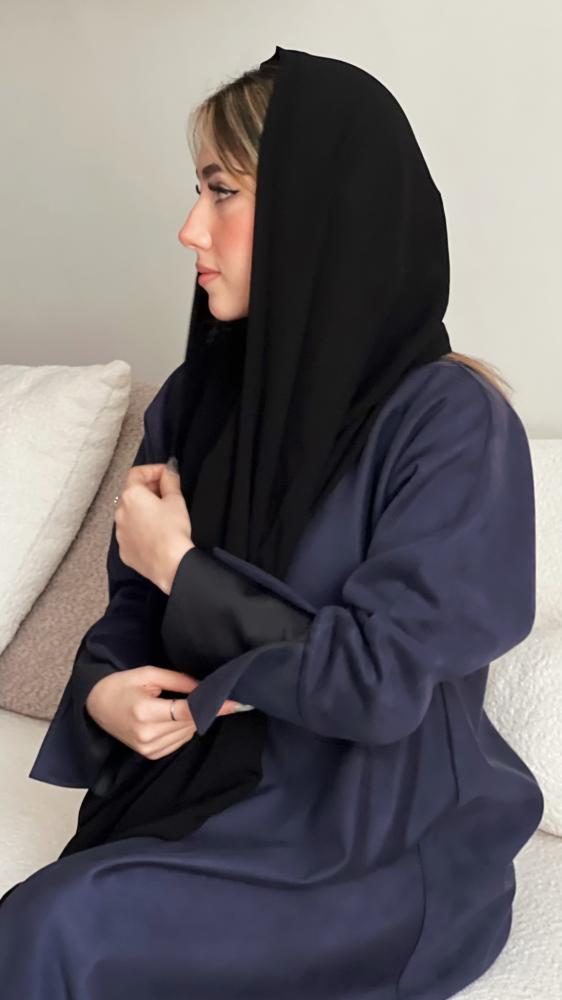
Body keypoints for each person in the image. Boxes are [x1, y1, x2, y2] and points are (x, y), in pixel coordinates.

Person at [0, 45, 544, 1000]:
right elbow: (133, 615)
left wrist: (185, 569)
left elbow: (379, 684)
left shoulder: (454, 425)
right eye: (196, 191)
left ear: (316, 209)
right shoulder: (195, 402)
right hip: (208, 791)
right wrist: (102, 695)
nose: (188, 229)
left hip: (379, 837)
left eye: (222, 192)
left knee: (51, 933)